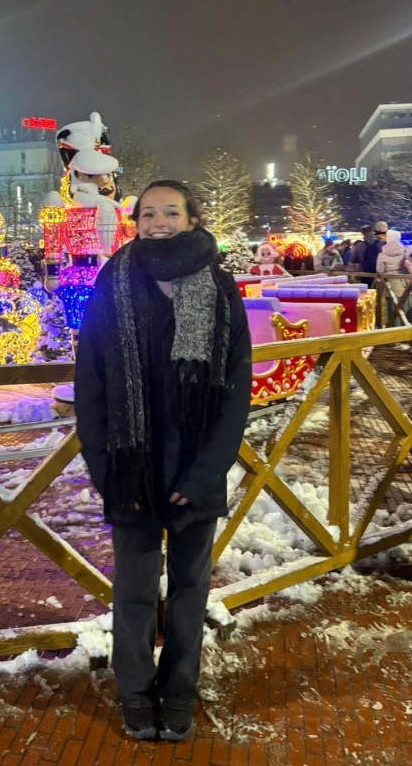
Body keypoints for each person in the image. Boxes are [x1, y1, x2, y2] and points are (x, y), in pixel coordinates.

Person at [74, 179, 252, 742]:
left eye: (170, 212)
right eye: (147, 213)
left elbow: (235, 390)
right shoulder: (114, 282)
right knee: (132, 590)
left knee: (189, 589)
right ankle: (134, 692)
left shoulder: (219, 287)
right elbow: (90, 383)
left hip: (196, 468)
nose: (157, 222)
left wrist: (205, 473)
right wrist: (106, 469)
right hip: (133, 469)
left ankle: (178, 690)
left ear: (193, 220)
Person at [376, 230, 411, 320]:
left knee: (393, 311)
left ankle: (395, 326)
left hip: (390, 286)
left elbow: (379, 270)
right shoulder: (406, 251)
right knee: (406, 309)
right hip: (405, 285)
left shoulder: (382, 254)